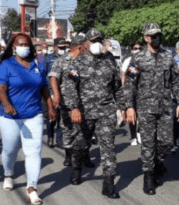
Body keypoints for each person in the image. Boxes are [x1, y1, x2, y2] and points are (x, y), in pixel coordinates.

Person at [61, 29, 124, 199]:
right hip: (84, 113)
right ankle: (76, 169)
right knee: (80, 145)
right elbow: (69, 88)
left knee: (108, 148)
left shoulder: (109, 62)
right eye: (93, 40)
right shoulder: (77, 63)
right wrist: (74, 108)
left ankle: (108, 184)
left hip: (106, 112)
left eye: (99, 40)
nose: (96, 43)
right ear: (85, 43)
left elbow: (117, 87)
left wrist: (122, 108)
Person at [0, 33, 56, 205]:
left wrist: (50, 106)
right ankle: (8, 173)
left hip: (34, 114)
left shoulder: (37, 65)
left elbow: (44, 88)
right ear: (13, 47)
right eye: (20, 44)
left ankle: (32, 188)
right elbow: (0, 89)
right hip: (10, 116)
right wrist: (7, 104)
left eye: (26, 44)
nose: (24, 47)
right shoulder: (6, 65)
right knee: (10, 149)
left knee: (33, 151)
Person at [125, 23, 179, 195]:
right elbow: (129, 84)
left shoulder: (168, 57)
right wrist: (130, 107)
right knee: (149, 143)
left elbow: (174, 80)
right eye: (153, 35)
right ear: (146, 38)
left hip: (165, 107)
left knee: (166, 143)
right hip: (145, 108)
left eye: (159, 35)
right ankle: (149, 177)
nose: (157, 38)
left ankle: (157, 162)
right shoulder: (138, 58)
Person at [49, 33, 96, 168]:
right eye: (87, 46)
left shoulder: (87, 62)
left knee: (86, 131)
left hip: (86, 104)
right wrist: (56, 95)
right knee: (68, 130)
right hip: (67, 103)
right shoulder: (62, 61)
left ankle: (85, 155)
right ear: (80, 47)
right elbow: (53, 78)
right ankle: (69, 156)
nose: (89, 49)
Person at [43, 38, 67, 148]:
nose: (62, 49)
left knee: (62, 118)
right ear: (55, 47)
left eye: (64, 47)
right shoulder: (48, 59)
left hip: (65, 92)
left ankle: (59, 140)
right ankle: (50, 137)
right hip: (52, 92)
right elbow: (44, 76)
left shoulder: (68, 58)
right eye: (60, 47)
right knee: (52, 117)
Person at [121, 42, 143, 146]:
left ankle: (139, 132)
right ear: (131, 49)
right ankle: (133, 136)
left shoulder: (145, 60)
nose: (137, 50)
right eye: (135, 48)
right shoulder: (128, 60)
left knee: (142, 114)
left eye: (139, 48)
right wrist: (123, 90)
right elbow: (123, 76)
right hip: (130, 92)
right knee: (131, 114)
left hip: (142, 93)